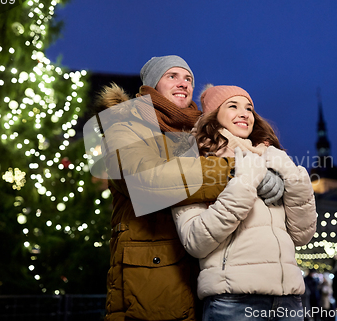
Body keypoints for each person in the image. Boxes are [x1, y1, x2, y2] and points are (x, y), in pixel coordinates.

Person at [95, 56, 285, 321]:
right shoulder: (125, 125)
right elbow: (147, 180)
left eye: (188, 78)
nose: (183, 83)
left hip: (210, 281)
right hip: (151, 278)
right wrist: (237, 172)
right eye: (172, 76)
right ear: (152, 84)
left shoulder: (205, 132)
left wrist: (269, 166)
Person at [171, 85, 317, 321]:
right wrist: (245, 182)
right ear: (213, 115)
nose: (244, 113)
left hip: (289, 300)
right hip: (233, 301)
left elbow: (302, 236)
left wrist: (294, 178)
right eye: (233, 106)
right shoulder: (195, 160)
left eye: (249, 108)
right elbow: (195, 240)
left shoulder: (273, 158)